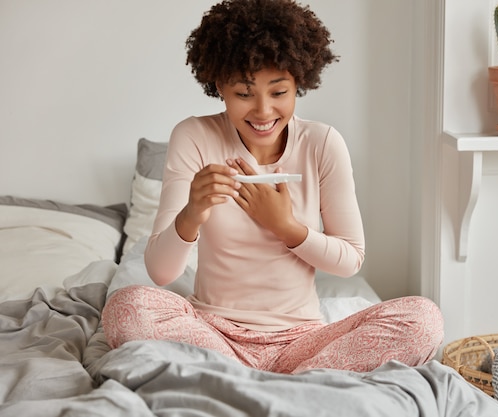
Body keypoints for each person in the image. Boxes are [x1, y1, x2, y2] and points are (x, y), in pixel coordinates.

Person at [102, 0, 444, 374]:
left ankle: (253, 382)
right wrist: (191, 214)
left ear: (299, 83)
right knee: (128, 307)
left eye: (279, 93)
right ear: (219, 86)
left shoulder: (322, 143)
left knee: (423, 318)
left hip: (302, 343)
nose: (263, 112)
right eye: (244, 94)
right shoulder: (195, 136)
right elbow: (161, 273)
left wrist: (287, 227)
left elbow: (350, 260)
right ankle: (292, 387)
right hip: (212, 336)